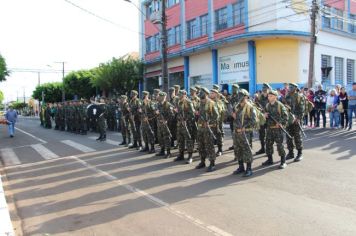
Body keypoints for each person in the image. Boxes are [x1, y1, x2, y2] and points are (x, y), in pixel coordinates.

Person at [232, 89, 257, 177]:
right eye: (238, 94)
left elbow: (254, 121)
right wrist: (233, 116)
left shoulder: (250, 107)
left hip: (245, 133)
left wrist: (245, 127)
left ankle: (249, 169)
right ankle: (241, 167)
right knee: (238, 150)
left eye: (241, 95)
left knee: (247, 150)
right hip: (236, 132)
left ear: (246, 97)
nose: (239, 96)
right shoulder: (237, 106)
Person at [263, 90, 289, 169]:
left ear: (275, 97)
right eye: (268, 96)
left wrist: (280, 123)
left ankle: (283, 161)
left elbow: (285, 116)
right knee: (268, 144)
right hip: (269, 129)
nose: (269, 97)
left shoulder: (279, 105)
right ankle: (270, 159)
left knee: (279, 145)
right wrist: (265, 115)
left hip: (277, 129)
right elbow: (264, 115)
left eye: (271, 96)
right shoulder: (267, 105)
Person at [195, 87, 219, 172]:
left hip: (209, 128)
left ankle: (212, 164)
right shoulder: (199, 103)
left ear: (205, 93)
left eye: (202, 92)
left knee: (209, 146)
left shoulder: (211, 103)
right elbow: (198, 113)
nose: (200, 93)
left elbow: (216, 116)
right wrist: (197, 114)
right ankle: (202, 162)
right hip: (200, 127)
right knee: (201, 145)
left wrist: (209, 122)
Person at [284, 83, 305, 162]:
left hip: (297, 120)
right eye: (289, 87)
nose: (290, 88)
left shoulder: (300, 96)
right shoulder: (287, 96)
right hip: (289, 119)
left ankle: (299, 153)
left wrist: (298, 118)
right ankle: (290, 153)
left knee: (297, 137)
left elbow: (302, 109)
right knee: (289, 136)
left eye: (291, 87)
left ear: (295, 88)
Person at [174, 90, 195, 164]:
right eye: (179, 95)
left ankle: (190, 156)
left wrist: (185, 119)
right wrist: (176, 112)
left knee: (188, 140)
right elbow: (177, 112)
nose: (179, 96)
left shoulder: (188, 102)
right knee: (180, 140)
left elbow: (192, 114)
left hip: (187, 124)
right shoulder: (178, 102)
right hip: (179, 124)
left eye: (181, 95)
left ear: (184, 95)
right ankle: (181, 155)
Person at [155, 92, 174, 158]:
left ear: (164, 97)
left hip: (165, 124)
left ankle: (168, 152)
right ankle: (162, 150)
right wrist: (156, 113)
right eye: (159, 96)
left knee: (167, 137)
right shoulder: (158, 104)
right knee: (160, 137)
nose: (160, 98)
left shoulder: (168, 105)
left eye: (161, 97)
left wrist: (166, 120)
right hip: (159, 123)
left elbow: (172, 115)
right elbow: (156, 113)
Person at [254, 83, 271, 155]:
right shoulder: (259, 98)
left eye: (266, 89)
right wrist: (261, 114)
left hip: (270, 119)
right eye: (263, 89)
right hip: (262, 118)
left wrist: (268, 114)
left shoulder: (271, 97)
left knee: (269, 136)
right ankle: (263, 148)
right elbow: (256, 107)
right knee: (261, 135)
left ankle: (268, 150)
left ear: (268, 89)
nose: (264, 90)